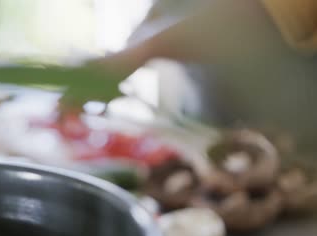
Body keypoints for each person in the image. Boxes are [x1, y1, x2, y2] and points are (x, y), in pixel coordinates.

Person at [64, 0, 317, 154]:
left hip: (297, 144)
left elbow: (256, 17)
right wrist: (125, 54)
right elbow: (167, 7)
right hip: (213, 126)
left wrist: (140, 52)